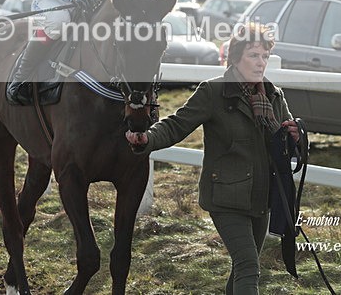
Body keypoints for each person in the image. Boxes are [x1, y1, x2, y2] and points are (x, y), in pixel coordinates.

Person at [126, 23, 300, 294]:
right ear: (236, 57)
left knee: (241, 269)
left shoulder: (274, 96)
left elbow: (286, 144)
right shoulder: (213, 92)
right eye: (253, 55)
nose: (261, 62)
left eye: (265, 56)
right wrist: (147, 139)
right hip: (225, 197)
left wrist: (296, 137)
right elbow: (176, 125)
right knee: (248, 265)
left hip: (261, 199)